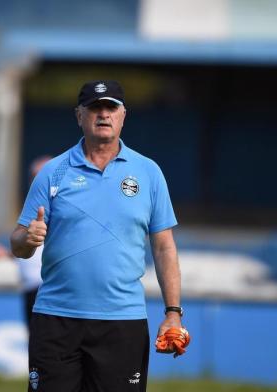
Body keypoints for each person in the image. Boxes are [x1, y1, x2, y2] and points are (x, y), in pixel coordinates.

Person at [10, 80, 183, 392]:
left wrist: (172, 313)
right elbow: (18, 243)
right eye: (95, 108)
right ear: (79, 116)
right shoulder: (53, 172)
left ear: (123, 115)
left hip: (122, 322)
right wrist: (27, 239)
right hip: (56, 319)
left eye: (111, 108)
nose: (104, 114)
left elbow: (164, 248)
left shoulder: (148, 173)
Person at [0, 155, 52, 326]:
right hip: (31, 288)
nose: (37, 180)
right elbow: (36, 249)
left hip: (48, 288)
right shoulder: (32, 205)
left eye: (42, 175)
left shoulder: (58, 205)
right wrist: (8, 254)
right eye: (34, 175)